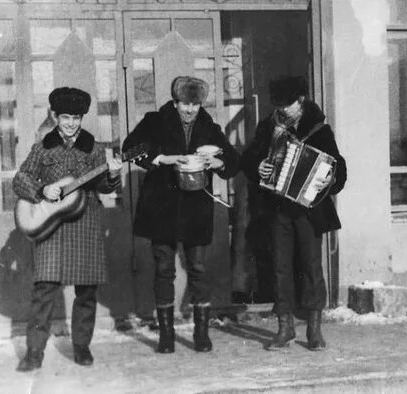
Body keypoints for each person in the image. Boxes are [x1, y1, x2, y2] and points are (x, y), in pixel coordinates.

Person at [122, 76, 239, 353]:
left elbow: (233, 160)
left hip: (196, 208)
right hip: (161, 207)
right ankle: (166, 335)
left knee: (198, 269)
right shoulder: (154, 121)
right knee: (164, 269)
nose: (189, 110)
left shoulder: (209, 127)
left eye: (195, 105)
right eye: (185, 104)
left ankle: (201, 333)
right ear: (175, 102)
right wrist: (163, 159)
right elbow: (129, 148)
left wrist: (218, 161)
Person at [13, 87, 122, 371]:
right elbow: (20, 179)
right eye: (65, 117)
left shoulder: (96, 149)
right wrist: (41, 189)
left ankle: (82, 346)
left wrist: (111, 175)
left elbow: (103, 187)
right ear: (55, 116)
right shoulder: (42, 147)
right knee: (44, 290)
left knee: (86, 291)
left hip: (86, 224)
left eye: (76, 117)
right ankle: (34, 351)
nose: (71, 123)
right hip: (51, 226)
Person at [240, 76, 346, 351]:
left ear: (301, 101)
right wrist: (258, 166)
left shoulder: (319, 129)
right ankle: (284, 328)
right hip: (277, 209)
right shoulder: (268, 126)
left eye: (287, 105)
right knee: (280, 268)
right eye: (278, 105)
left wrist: (329, 179)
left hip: (309, 210)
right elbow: (249, 158)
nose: (282, 110)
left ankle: (313, 329)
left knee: (312, 267)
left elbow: (339, 166)